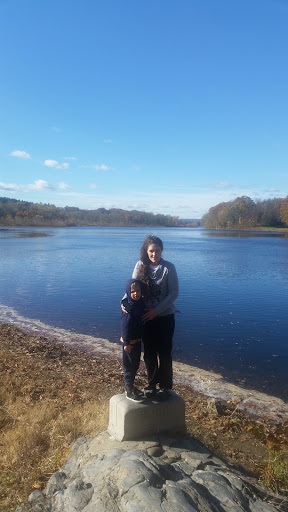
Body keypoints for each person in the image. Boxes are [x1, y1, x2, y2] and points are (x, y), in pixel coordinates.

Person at [130, 235, 179, 401]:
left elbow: (174, 293)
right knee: (149, 353)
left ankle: (165, 387)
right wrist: (125, 302)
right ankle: (151, 385)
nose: (154, 254)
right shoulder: (140, 266)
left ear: (162, 250)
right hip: (145, 317)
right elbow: (131, 287)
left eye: (157, 250)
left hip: (165, 317)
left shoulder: (169, 268)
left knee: (164, 353)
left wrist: (156, 311)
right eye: (151, 250)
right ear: (146, 251)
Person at [120, 278, 146, 402]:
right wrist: (126, 343)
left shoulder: (139, 304)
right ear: (128, 292)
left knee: (135, 365)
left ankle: (131, 387)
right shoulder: (128, 308)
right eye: (133, 291)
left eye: (138, 290)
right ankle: (129, 391)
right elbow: (125, 327)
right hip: (129, 343)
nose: (136, 293)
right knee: (129, 367)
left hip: (137, 342)